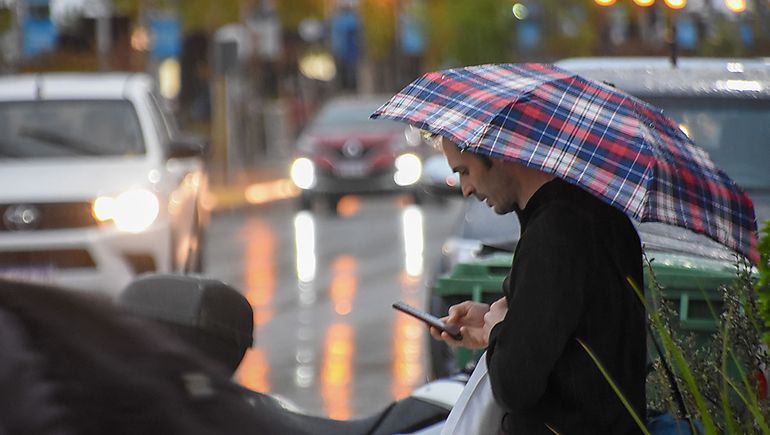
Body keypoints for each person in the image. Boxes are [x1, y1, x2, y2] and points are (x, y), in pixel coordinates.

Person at [429, 137, 646, 434]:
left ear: (498, 152)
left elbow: (514, 386)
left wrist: (499, 333)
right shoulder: (595, 211)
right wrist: (503, 324)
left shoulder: (554, 232)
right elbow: (569, 330)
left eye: (465, 171)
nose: (466, 188)